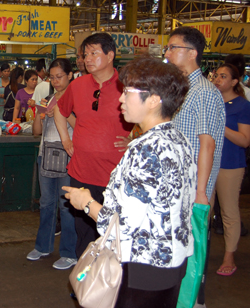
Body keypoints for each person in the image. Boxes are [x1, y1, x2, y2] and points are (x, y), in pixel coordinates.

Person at [64, 56, 196, 307]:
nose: (121, 99)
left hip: (142, 266)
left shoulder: (144, 149)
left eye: (128, 92)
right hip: (173, 259)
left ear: (155, 100)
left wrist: (86, 203)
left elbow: (124, 225)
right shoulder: (179, 139)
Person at [53, 32, 134, 257]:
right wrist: (66, 139)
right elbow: (60, 111)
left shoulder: (126, 85)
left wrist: (135, 140)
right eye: (85, 54)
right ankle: (85, 285)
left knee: (114, 233)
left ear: (110, 55)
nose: (87, 59)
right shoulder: (78, 85)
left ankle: (109, 285)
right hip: (82, 171)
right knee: (85, 232)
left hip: (115, 174)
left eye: (93, 53)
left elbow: (152, 115)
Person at [166, 26, 225, 308]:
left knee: (193, 252)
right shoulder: (182, 89)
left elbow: (207, 144)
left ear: (192, 53)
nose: (167, 53)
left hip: (192, 188)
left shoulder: (203, 91)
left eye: (172, 47)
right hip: (176, 184)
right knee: (180, 251)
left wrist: (201, 191)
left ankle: (194, 303)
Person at [28, 58, 77, 270]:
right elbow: (36, 132)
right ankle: (43, 246)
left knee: (66, 206)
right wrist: (40, 116)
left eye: (60, 77)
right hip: (45, 155)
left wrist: (62, 114)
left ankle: (69, 252)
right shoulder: (47, 99)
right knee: (47, 203)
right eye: (52, 77)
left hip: (68, 156)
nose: (56, 81)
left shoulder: (77, 100)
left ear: (70, 75)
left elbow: (81, 127)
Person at [211, 63, 250, 276]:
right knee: (203, 210)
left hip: (230, 165)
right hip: (207, 162)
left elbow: (245, 140)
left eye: (223, 76)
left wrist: (221, 125)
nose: (217, 80)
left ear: (234, 82)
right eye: (216, 75)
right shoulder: (212, 101)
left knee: (229, 212)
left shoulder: (242, 106)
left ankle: (229, 256)